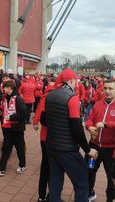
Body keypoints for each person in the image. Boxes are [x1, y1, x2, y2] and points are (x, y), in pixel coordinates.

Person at [45, 69, 98, 202]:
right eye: (76, 81)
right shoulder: (72, 97)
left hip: (51, 146)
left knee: (55, 181)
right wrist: (87, 149)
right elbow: (76, 127)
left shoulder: (50, 95)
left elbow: (44, 120)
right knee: (81, 181)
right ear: (72, 81)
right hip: (67, 148)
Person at [85, 79, 115, 202]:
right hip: (94, 147)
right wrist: (89, 127)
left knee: (111, 178)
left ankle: (109, 199)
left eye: (110, 88)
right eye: (105, 88)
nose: (107, 91)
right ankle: (89, 193)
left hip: (111, 149)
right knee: (89, 171)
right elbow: (89, 119)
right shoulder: (97, 104)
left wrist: (107, 124)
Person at [0, 80, 27, 176]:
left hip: (17, 129)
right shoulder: (7, 98)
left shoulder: (18, 99)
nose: (3, 89)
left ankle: (22, 165)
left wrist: (11, 117)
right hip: (8, 128)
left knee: (20, 148)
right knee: (6, 148)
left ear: (9, 88)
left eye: (4, 87)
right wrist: (2, 112)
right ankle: (1, 169)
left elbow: (23, 114)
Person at [33, 79, 56, 202]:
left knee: (45, 166)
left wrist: (35, 122)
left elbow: (39, 111)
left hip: (44, 137)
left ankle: (42, 195)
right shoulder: (58, 97)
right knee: (54, 168)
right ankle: (52, 195)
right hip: (55, 138)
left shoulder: (45, 96)